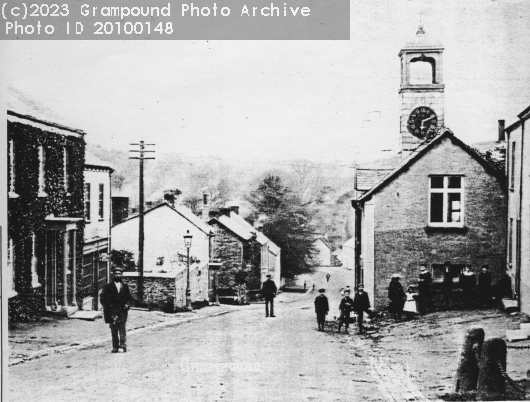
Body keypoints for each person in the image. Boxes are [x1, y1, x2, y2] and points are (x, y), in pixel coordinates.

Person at [100, 267, 132, 353]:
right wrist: (107, 308)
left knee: (122, 328)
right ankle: (115, 347)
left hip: (122, 311)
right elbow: (102, 298)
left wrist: (127, 305)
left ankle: (123, 345)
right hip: (112, 311)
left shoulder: (125, 286)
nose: (117, 275)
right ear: (113, 275)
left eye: (119, 274)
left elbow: (129, 298)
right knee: (114, 329)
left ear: (121, 275)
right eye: (116, 274)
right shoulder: (107, 287)